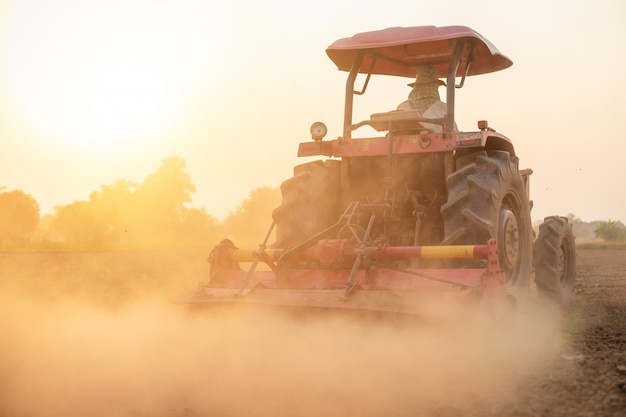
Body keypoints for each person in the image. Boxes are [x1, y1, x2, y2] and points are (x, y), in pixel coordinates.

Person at [397, 66, 456, 133]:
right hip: (436, 142)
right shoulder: (442, 107)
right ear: (434, 87)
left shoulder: (401, 107)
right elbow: (454, 133)